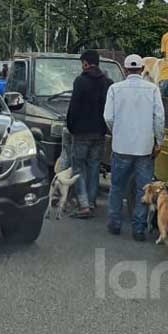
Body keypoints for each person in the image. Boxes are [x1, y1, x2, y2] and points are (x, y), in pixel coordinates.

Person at [103, 54, 165, 241]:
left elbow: (108, 117)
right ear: (142, 68)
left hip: (121, 147)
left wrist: (118, 132)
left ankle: (114, 223)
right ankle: (139, 228)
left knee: (117, 187)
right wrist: (159, 141)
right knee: (143, 190)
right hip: (145, 149)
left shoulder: (115, 88)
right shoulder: (152, 89)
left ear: (126, 68)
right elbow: (159, 118)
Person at [66, 50, 113, 218]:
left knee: (78, 168)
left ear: (86, 63)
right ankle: (92, 203)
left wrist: (70, 126)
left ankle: (84, 205)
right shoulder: (108, 83)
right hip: (99, 133)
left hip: (81, 132)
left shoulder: (80, 81)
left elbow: (74, 107)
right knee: (94, 168)